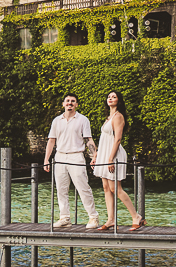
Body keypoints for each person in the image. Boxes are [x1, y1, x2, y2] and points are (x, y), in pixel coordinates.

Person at [42, 93, 100, 229]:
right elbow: (51, 140)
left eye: (73, 101)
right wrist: (46, 160)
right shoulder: (56, 120)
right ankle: (65, 218)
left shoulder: (83, 120)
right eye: (67, 101)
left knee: (83, 187)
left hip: (76, 156)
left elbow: (88, 139)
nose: (70, 103)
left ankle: (93, 217)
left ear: (76, 104)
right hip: (60, 156)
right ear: (63, 104)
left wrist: (94, 156)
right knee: (61, 189)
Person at [94, 89, 144, 231]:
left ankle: (136, 217)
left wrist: (110, 159)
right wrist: (97, 155)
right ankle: (111, 220)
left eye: (114, 97)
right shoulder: (108, 117)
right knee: (105, 187)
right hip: (105, 154)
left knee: (115, 188)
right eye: (109, 96)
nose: (110, 98)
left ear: (118, 101)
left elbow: (118, 139)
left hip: (113, 155)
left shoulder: (118, 117)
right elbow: (104, 139)